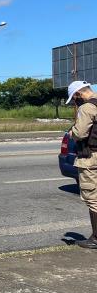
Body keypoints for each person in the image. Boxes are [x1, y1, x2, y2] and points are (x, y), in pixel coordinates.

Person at [66, 80, 97, 249]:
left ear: (78, 94)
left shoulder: (87, 108)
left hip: (91, 158)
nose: (75, 101)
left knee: (93, 199)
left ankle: (96, 238)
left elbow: (80, 133)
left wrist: (72, 131)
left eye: (74, 98)